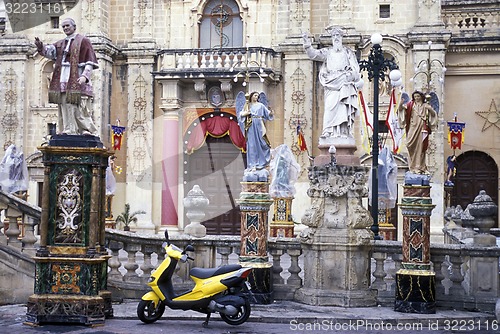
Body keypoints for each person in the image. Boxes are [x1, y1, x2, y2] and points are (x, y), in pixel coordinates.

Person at [35, 18, 99, 136]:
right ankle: (69, 129)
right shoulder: (60, 43)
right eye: (63, 26)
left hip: (78, 77)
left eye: (67, 25)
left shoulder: (83, 41)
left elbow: (90, 61)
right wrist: (41, 47)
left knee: (80, 107)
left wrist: (85, 76)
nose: (65, 28)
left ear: (74, 27)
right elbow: (50, 52)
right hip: (63, 77)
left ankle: (87, 130)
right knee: (64, 105)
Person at [302, 27, 360, 140]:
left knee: (343, 108)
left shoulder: (348, 52)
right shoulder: (327, 52)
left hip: (344, 83)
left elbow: (355, 69)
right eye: (334, 36)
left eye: (338, 36)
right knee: (329, 107)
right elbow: (313, 55)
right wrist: (307, 44)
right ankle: (328, 131)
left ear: (341, 37)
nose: (336, 38)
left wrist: (349, 76)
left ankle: (343, 132)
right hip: (331, 83)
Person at [398, 91, 438, 174]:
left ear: (421, 97)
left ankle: (420, 166)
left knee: (421, 147)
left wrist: (430, 109)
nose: (416, 98)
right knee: (409, 144)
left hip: (422, 128)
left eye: (418, 96)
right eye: (415, 96)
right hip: (412, 127)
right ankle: (412, 166)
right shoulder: (410, 105)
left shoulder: (425, 105)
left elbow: (433, 114)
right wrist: (400, 105)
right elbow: (402, 111)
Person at [237, 92, 274, 170]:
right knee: (252, 145)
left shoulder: (261, 105)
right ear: (251, 96)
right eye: (255, 95)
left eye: (257, 96)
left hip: (259, 125)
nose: (256, 97)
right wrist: (245, 113)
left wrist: (271, 113)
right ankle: (253, 164)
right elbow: (241, 114)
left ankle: (262, 162)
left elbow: (267, 114)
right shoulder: (248, 105)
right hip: (251, 125)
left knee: (263, 143)